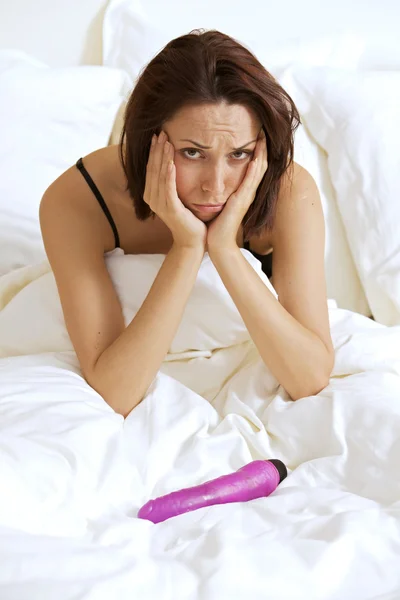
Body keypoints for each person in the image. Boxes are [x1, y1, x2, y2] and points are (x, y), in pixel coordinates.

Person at [39, 29, 334, 418]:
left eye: (239, 154)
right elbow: (115, 393)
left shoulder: (288, 191)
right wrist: (187, 248)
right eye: (193, 152)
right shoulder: (79, 200)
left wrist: (226, 250)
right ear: (149, 140)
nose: (216, 185)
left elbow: (310, 379)